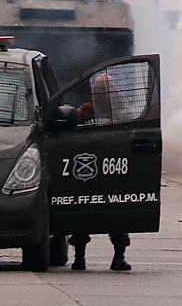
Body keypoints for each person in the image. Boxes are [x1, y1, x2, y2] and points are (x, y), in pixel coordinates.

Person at [69, 72, 132, 271]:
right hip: (91, 171)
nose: (103, 93)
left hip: (109, 171)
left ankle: (116, 257)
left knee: (115, 216)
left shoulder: (121, 113)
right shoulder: (85, 112)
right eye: (101, 90)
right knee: (83, 215)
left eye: (106, 89)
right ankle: (80, 258)